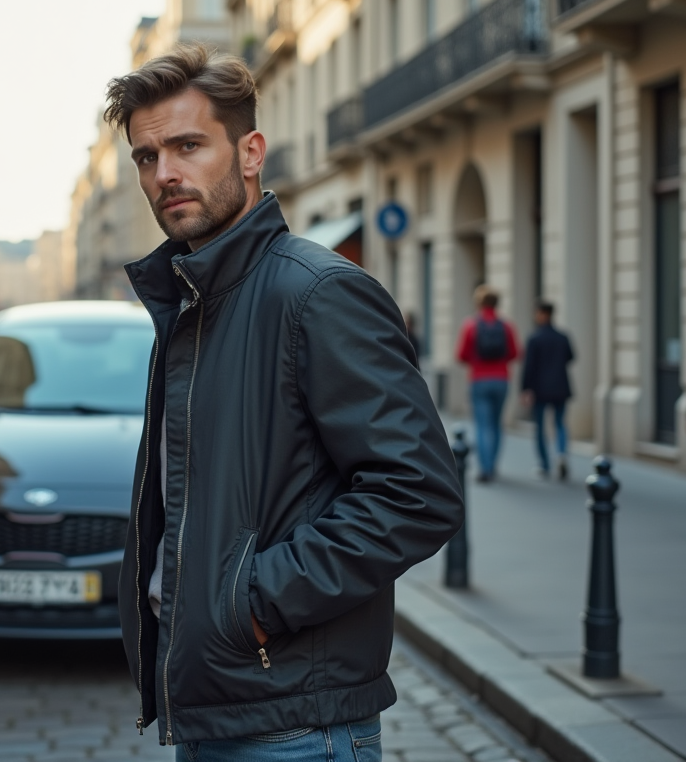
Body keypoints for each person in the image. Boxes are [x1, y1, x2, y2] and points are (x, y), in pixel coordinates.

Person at [106, 43, 463, 760]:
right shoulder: (194, 306)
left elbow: (417, 493)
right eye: (147, 157)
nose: (165, 173)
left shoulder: (317, 294)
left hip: (297, 727)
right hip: (220, 713)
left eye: (187, 145)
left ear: (249, 152)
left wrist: (257, 602)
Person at [456, 285, 519, 482]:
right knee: (496, 424)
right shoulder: (506, 326)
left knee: (482, 425)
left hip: (478, 379)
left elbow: (461, 355)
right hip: (501, 379)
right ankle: (493, 464)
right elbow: (515, 352)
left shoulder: (470, 325)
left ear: (479, 303)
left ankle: (485, 468)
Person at [520, 302, 575, 480]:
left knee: (540, 427)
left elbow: (528, 366)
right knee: (560, 423)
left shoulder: (534, 338)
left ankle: (544, 464)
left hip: (540, 388)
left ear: (542, 314)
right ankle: (561, 454)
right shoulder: (563, 336)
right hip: (560, 386)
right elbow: (571, 357)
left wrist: (525, 388)